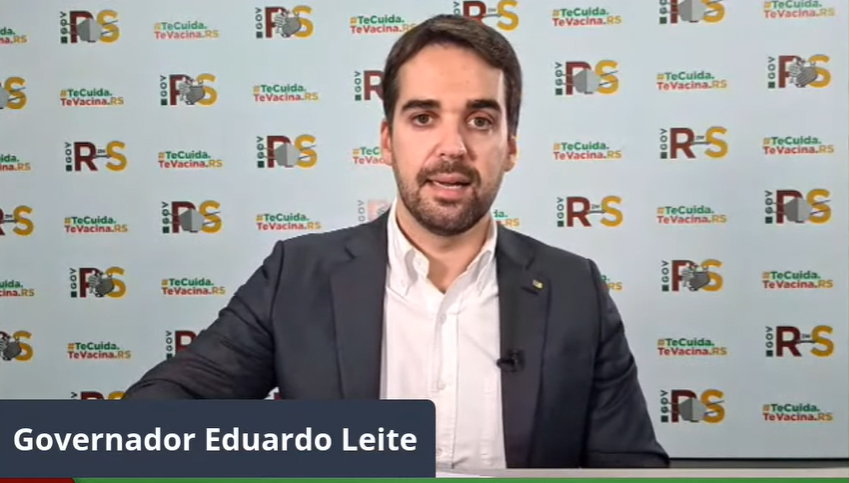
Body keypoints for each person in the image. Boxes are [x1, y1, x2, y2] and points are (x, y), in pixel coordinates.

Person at [123, 14, 669, 470]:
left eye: (480, 120)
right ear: (387, 141)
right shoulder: (298, 275)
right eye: (423, 117)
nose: (452, 147)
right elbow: (150, 419)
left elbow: (632, 468)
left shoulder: (575, 289)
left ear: (510, 147)